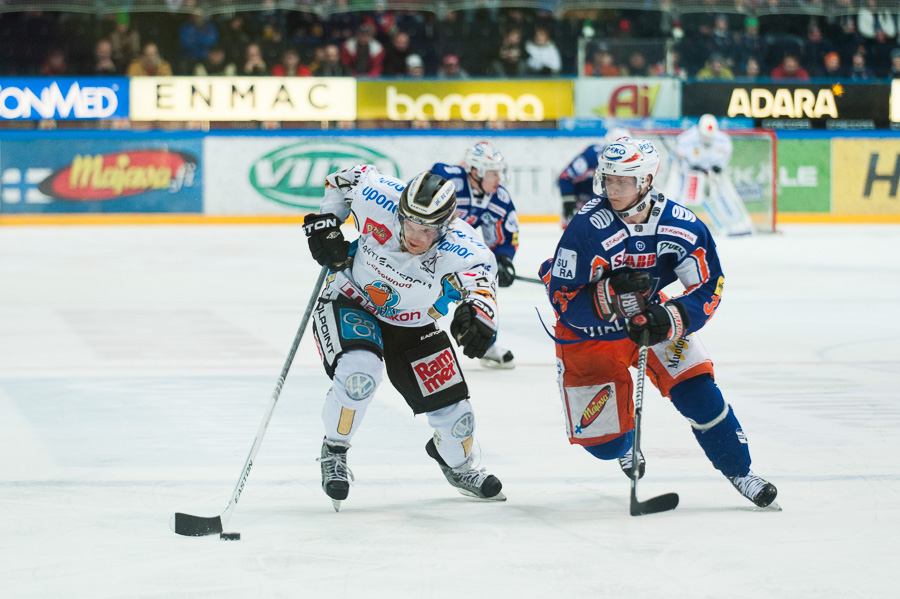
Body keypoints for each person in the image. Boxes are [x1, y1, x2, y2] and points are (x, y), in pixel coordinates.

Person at [539, 137, 778, 509]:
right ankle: (622, 442)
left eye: (623, 181)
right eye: (608, 179)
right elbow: (564, 298)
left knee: (698, 390)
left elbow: (708, 284)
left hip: (650, 314)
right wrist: (608, 301)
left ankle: (740, 471)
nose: (612, 188)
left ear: (647, 181)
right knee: (604, 445)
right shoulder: (586, 227)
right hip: (590, 333)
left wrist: (671, 318)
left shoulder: (680, 224)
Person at [303, 166, 506, 511]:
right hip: (351, 299)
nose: (414, 235)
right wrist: (327, 223)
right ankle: (334, 450)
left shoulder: (465, 248)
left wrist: (480, 315)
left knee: (458, 420)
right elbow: (342, 179)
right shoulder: (376, 194)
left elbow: (483, 286)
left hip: (413, 326)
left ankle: (459, 466)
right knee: (359, 375)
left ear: (444, 227)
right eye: (409, 223)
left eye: (426, 230)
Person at [430, 142, 519, 369]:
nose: (498, 179)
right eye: (492, 173)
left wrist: (504, 259)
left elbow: (504, 235)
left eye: (499, 172)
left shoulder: (499, 197)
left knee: (485, 281)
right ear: (476, 172)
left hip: (455, 251)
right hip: (421, 244)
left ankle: (485, 341)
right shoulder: (448, 181)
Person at [666, 114, 754, 236]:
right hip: (687, 173)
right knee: (678, 194)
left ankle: (734, 223)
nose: (707, 140)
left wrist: (718, 167)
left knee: (722, 193)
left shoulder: (723, 140)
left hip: (711, 173)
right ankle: (670, 223)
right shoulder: (686, 139)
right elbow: (678, 156)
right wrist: (689, 166)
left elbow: (725, 156)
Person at [558, 127, 631, 228]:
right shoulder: (591, 156)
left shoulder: (631, 164)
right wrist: (569, 204)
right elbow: (565, 177)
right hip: (583, 199)